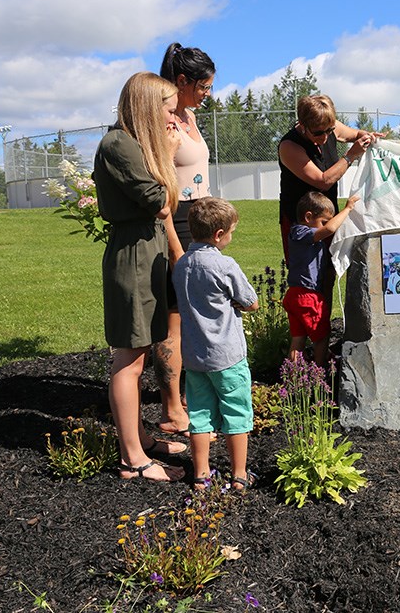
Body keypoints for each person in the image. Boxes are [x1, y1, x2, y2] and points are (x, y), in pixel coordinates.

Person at [94, 71, 187, 482]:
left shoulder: (132, 144)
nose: (173, 117)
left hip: (146, 253)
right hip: (132, 257)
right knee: (129, 361)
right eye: (168, 109)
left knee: (142, 352)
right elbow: (162, 202)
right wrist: (167, 154)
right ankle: (133, 457)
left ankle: (142, 439)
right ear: (149, 107)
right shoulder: (118, 144)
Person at [172, 197, 260, 489]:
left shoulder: (182, 264)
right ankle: (239, 475)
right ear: (219, 234)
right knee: (236, 412)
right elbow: (251, 302)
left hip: (195, 357)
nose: (232, 236)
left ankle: (200, 475)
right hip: (227, 356)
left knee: (199, 415)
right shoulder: (224, 265)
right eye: (231, 231)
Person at [278, 95, 382, 341]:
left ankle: (320, 335)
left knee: (328, 273)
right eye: (318, 133)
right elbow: (323, 180)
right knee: (306, 282)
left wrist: (369, 137)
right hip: (300, 222)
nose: (325, 137)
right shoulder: (289, 146)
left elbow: (354, 133)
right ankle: (303, 339)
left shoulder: (329, 127)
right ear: (302, 125)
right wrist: (350, 156)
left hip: (327, 216)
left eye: (329, 130)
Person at [153, 42, 217, 436]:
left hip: (200, 218)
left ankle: (190, 393)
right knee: (173, 320)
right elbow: (160, 187)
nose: (208, 93)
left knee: (196, 314)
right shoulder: (160, 122)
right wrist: (176, 243)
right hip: (174, 220)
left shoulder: (188, 115)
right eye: (204, 86)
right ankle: (172, 409)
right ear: (181, 81)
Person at [283, 191, 360, 365]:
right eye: (323, 221)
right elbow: (331, 229)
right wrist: (348, 208)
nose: (326, 225)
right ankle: (320, 369)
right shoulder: (299, 231)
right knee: (322, 337)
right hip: (308, 297)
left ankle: (293, 375)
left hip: (295, 296)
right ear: (308, 216)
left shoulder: (301, 234)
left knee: (298, 340)